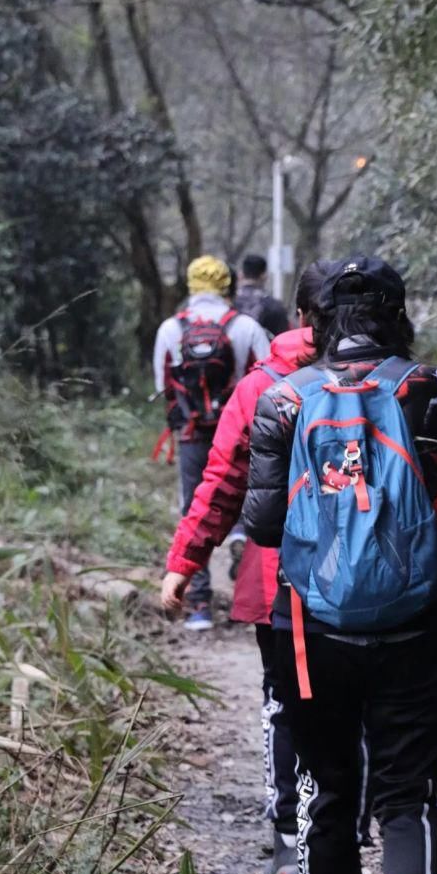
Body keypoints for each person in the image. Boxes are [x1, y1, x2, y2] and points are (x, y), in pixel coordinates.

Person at [242, 256, 437, 874]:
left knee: (327, 788)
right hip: (421, 623)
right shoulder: (431, 388)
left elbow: (262, 526)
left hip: (312, 632)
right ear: (396, 316)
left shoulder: (283, 399)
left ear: (316, 321)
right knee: (410, 792)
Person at [159, 263, 376, 874]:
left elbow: (221, 482)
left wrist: (184, 562)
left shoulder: (263, 385)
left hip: (277, 576)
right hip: (367, 578)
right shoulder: (394, 380)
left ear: (302, 317)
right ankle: (336, 856)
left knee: (286, 706)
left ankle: (292, 844)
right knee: (355, 715)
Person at [153, 254, 269, 631]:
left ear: (190, 285)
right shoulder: (246, 327)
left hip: (191, 434)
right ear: (226, 285)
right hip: (240, 432)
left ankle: (199, 604)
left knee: (194, 508)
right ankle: (250, 591)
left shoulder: (171, 328)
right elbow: (269, 383)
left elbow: (162, 386)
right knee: (249, 500)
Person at [234, 254, 290, 338]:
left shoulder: (228, 303)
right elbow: (283, 339)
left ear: (241, 275)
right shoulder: (274, 306)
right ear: (264, 276)